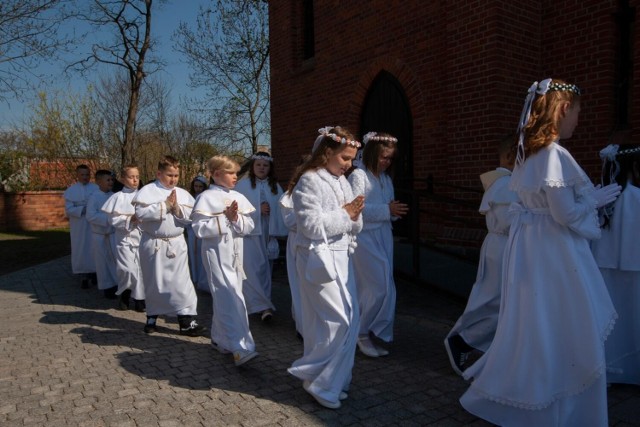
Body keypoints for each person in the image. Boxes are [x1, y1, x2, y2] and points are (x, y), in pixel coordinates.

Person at [459, 79, 621, 426]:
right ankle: (558, 402)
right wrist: (592, 201)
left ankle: (544, 393)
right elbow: (564, 213)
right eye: (578, 112)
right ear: (563, 110)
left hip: (533, 247)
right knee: (563, 321)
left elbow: (537, 204)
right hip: (554, 251)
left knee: (539, 321)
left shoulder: (527, 153)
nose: (579, 119)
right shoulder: (553, 154)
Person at [287, 126, 364, 409]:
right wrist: (346, 215)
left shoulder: (342, 182)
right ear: (327, 152)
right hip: (319, 258)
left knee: (351, 320)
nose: (349, 165)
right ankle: (318, 379)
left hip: (343, 259)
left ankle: (328, 380)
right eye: (345, 158)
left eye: (352, 159)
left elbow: (356, 223)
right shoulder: (309, 181)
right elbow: (309, 226)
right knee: (335, 321)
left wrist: (353, 216)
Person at [444, 133, 518, 374]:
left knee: (503, 301)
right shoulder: (506, 184)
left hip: (505, 245)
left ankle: (483, 345)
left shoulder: (505, 181)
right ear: (510, 156)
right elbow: (509, 221)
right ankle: (462, 341)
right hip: (504, 246)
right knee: (495, 301)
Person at [191, 155, 259, 366]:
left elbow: (249, 227)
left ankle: (219, 339)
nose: (235, 177)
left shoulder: (238, 196)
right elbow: (199, 228)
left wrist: (236, 218)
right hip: (216, 254)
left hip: (236, 256)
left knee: (228, 296)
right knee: (230, 297)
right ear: (217, 174)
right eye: (231, 173)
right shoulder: (205, 198)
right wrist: (224, 219)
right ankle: (241, 347)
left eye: (236, 173)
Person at [348, 132, 408, 358]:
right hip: (365, 238)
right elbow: (356, 209)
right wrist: (386, 210)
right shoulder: (359, 177)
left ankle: (364, 330)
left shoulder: (385, 179)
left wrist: (392, 211)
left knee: (382, 285)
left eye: (390, 158)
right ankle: (361, 332)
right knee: (377, 286)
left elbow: (386, 206)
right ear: (372, 154)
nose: (387, 162)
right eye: (383, 157)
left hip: (383, 235)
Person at [132, 156, 206, 337]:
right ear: (159, 174)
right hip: (153, 243)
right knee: (154, 282)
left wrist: (177, 208)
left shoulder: (182, 193)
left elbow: (191, 217)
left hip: (176, 243)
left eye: (176, 175)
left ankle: (186, 321)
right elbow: (141, 212)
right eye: (169, 175)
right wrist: (165, 205)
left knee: (181, 283)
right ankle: (152, 318)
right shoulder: (148, 191)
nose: (173, 179)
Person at [592, 144, 640, 386]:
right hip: (634, 270)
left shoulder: (601, 198)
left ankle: (608, 367)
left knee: (608, 319)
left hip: (604, 267)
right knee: (633, 317)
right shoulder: (636, 198)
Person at [235, 152, 288, 322]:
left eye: (265, 166)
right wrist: (258, 210)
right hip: (250, 234)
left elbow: (281, 208)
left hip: (267, 232)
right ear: (252, 166)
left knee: (266, 269)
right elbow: (237, 209)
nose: (261, 168)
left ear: (270, 168)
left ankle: (264, 303)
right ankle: (258, 305)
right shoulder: (242, 186)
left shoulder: (275, 187)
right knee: (251, 268)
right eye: (258, 165)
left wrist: (272, 218)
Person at [101, 165, 146, 312]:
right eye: (131, 177)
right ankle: (125, 293)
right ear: (122, 179)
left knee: (141, 270)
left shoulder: (145, 196)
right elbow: (112, 220)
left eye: (137, 177)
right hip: (124, 240)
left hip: (142, 239)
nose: (135, 180)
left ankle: (140, 299)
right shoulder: (117, 197)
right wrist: (130, 219)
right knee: (127, 269)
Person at [64, 164, 99, 288]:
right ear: (77, 175)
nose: (85, 177)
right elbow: (68, 209)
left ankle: (95, 273)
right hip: (79, 223)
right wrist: (83, 209)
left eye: (87, 174)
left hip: (93, 223)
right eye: (82, 174)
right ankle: (83, 275)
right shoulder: (71, 191)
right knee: (81, 248)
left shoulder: (96, 188)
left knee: (94, 247)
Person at [86, 169, 118, 299]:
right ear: (99, 182)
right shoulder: (94, 197)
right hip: (100, 236)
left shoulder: (115, 196)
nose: (110, 182)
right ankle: (107, 287)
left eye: (111, 180)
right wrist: (108, 219)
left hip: (113, 234)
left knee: (116, 261)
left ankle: (117, 285)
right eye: (107, 180)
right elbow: (90, 215)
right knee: (103, 262)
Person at [187, 176, 210, 293]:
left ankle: (203, 281)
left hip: (202, 231)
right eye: (196, 186)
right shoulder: (189, 198)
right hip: (192, 231)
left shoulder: (206, 198)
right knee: (193, 254)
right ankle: (195, 279)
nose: (198, 189)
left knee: (202, 256)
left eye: (200, 186)